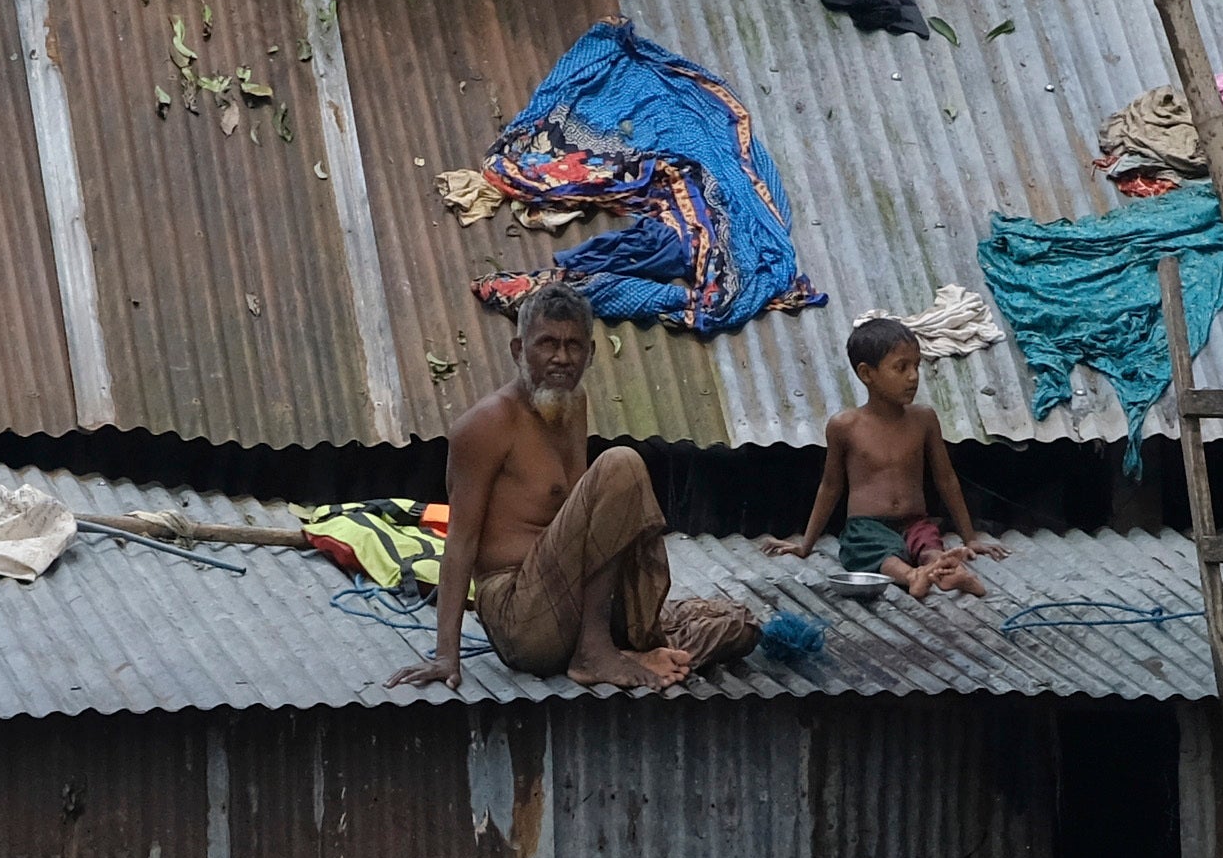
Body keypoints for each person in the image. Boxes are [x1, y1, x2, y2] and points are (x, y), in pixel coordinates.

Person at [402, 282, 761, 690]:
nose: (561, 358)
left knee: (739, 626)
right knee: (621, 463)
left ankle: (621, 649)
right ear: (519, 350)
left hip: (576, 604)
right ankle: (595, 651)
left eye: (574, 346)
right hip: (521, 615)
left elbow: (594, 526)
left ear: (590, 354)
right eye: (547, 344)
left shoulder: (573, 404)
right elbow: (460, 541)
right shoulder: (484, 425)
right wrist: (447, 656)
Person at [769, 317, 998, 598]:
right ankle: (913, 575)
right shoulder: (845, 426)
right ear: (867, 374)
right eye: (901, 368)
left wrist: (970, 538)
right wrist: (806, 545)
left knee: (929, 544)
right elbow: (830, 487)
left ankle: (946, 571)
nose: (913, 376)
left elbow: (946, 479)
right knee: (866, 549)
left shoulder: (924, 419)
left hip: (915, 521)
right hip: (867, 525)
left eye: (916, 366)